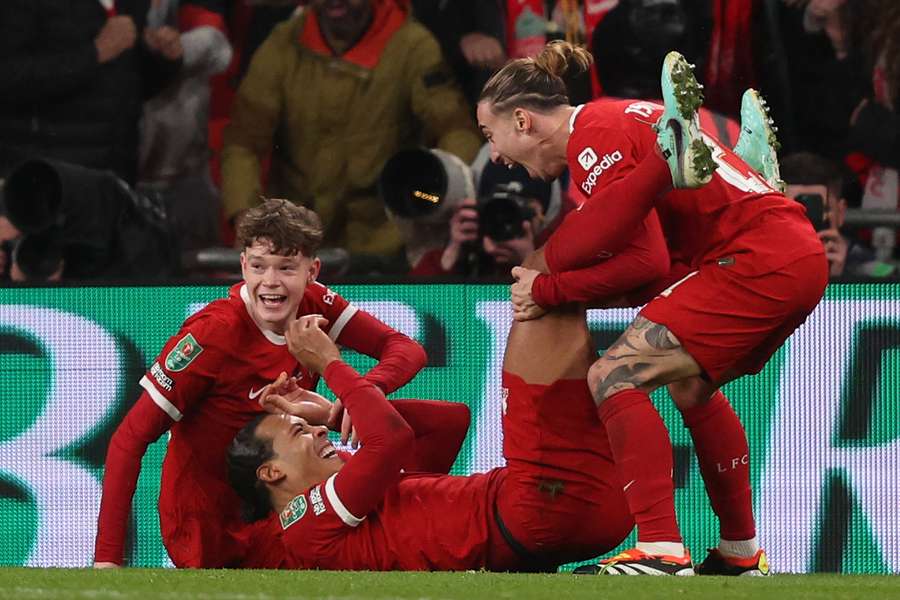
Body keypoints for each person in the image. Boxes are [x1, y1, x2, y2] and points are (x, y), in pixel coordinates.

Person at [476, 42, 827, 575]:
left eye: (490, 135)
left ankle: (661, 549)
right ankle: (740, 552)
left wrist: (547, 289)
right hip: (788, 250)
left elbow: (642, 261)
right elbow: (655, 265)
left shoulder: (594, 138)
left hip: (756, 258)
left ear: (522, 120)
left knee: (613, 374)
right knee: (691, 386)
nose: (495, 155)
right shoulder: (622, 117)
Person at [93, 198, 427, 568]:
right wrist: (108, 559)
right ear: (243, 267)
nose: (271, 282)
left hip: (284, 509)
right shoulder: (213, 335)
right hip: (209, 522)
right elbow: (129, 438)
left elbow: (406, 348)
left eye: (286, 267)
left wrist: (366, 390)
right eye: (258, 267)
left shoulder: (316, 306)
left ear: (312, 270)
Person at [228, 302, 636, 571]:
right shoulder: (302, 526)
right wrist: (332, 366)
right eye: (300, 430)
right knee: (543, 304)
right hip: (533, 510)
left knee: (608, 377)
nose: (314, 429)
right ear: (271, 473)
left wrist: (338, 417)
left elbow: (449, 422)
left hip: (567, 516)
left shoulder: (369, 501)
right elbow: (390, 441)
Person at [221, 0, 481, 268]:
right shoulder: (282, 45)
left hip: (389, 246)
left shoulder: (412, 46)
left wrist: (435, 196)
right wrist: (245, 217)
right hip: (295, 242)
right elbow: (243, 143)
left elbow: (456, 130)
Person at [0, 0, 185, 184]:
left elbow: (132, 89)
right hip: (47, 173)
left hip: (117, 168)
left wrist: (164, 60)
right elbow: (10, 77)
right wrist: (95, 53)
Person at [781, 152, 884, 277]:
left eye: (820, 210)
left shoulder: (874, 273)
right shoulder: (761, 265)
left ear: (840, 212)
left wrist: (837, 280)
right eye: (795, 212)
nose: (808, 224)